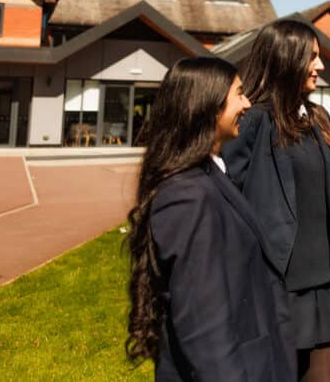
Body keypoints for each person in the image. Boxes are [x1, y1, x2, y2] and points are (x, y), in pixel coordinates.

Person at [125, 56, 292, 381]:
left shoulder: (210, 177)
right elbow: (204, 326)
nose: (247, 104)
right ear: (209, 106)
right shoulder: (187, 195)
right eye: (239, 94)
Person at [221, 19, 330, 382]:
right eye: (311, 56)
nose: (320, 65)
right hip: (272, 292)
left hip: (321, 291)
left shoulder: (318, 118)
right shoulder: (252, 120)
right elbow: (226, 203)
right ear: (285, 58)